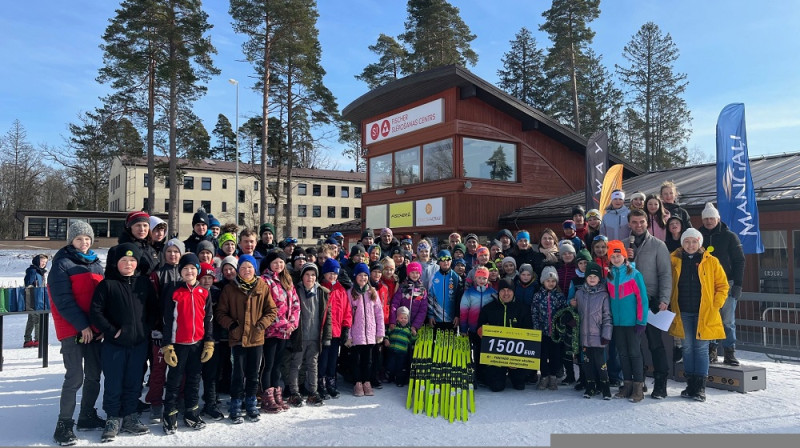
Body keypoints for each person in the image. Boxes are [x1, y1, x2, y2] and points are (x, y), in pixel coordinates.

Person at [89, 243, 158, 441]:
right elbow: (96, 312)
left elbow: (153, 309)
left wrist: (145, 328)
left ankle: (130, 416)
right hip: (114, 345)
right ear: (116, 263)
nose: (128, 264)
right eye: (124, 260)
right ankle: (112, 418)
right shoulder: (107, 284)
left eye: (132, 260)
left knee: (134, 381)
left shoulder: (144, 283)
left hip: (138, 344)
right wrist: (112, 331)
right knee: (114, 381)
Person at [50, 221, 106, 446]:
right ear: (71, 241)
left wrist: (99, 326)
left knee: (94, 374)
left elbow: (101, 299)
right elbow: (63, 300)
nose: (84, 242)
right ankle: (63, 424)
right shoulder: (61, 264)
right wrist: (82, 326)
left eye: (87, 238)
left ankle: (87, 415)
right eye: (79, 238)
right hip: (72, 327)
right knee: (75, 376)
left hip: (93, 329)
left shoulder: (95, 263)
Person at [668, 228, 729, 402]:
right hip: (683, 311)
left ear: (699, 243)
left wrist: (715, 305)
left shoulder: (711, 261)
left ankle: (700, 387)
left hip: (704, 313)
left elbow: (723, 286)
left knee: (701, 349)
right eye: (687, 241)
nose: (690, 245)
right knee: (687, 348)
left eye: (694, 241)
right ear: (682, 243)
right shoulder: (673, 260)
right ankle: (690, 385)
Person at [216, 254, 277, 422]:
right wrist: (232, 325)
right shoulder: (230, 288)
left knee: (252, 374)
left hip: (256, 337)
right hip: (237, 338)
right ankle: (236, 403)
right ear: (238, 270)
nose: (246, 271)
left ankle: (250, 402)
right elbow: (220, 313)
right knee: (237, 373)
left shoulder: (262, 286)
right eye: (243, 268)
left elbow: (272, 310)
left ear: (254, 269)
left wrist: (261, 325)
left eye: (249, 267)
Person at [160, 253, 214, 434]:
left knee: (193, 379)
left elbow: (209, 320)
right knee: (174, 380)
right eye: (185, 268)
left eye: (192, 268)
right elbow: (167, 320)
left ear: (197, 271)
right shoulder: (173, 290)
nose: (189, 271)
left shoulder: (204, 292)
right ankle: (170, 413)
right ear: (180, 271)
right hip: (178, 344)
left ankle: (191, 412)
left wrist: (209, 342)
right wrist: (167, 345)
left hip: (197, 344)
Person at [627, 208, 673, 399]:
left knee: (655, 344)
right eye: (634, 222)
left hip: (651, 301)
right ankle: (638, 381)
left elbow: (665, 273)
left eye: (642, 222)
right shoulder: (623, 245)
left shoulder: (658, 245)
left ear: (647, 223)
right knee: (633, 346)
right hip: (628, 302)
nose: (638, 225)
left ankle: (660, 383)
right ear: (629, 224)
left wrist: (664, 298)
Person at [698, 202, 746, 366]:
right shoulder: (698, 236)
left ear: (718, 218)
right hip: (706, 284)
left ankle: (729, 352)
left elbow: (739, 261)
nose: (709, 221)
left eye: (712, 218)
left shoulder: (730, 236)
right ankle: (711, 350)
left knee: (727, 321)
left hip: (727, 283)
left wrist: (738, 284)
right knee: (709, 318)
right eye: (706, 219)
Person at [606, 240, 649, 403]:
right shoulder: (609, 276)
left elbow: (642, 299)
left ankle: (638, 387)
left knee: (634, 353)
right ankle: (627, 385)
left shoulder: (634, 274)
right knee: (622, 354)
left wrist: (641, 320)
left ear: (625, 256)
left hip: (632, 322)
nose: (616, 259)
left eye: (619, 256)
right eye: (613, 256)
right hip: (617, 323)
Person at [259, 251, 300, 413]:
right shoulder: (264, 281)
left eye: (281, 262)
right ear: (269, 264)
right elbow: (264, 307)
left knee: (278, 365)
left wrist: (292, 323)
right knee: (268, 364)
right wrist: (282, 324)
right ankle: (266, 396)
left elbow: (295, 304)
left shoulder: (287, 280)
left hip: (286, 331)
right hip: (271, 331)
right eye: (275, 262)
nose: (279, 265)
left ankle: (277, 393)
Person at [287, 263, 332, 407]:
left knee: (313, 364)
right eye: (307, 274)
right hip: (299, 335)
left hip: (315, 335)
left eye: (313, 275)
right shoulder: (295, 290)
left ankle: (313, 392)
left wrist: (327, 336)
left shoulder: (322, 292)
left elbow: (327, 316)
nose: (310, 278)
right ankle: (294, 392)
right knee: (296, 364)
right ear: (302, 276)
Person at [477, 278, 533, 392]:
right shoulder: (489, 308)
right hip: (495, 356)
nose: (506, 293)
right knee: (496, 387)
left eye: (509, 290)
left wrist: (516, 360)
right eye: (503, 290)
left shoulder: (522, 309)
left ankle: (516, 374)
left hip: (516, 355)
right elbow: (479, 327)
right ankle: (496, 374)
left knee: (519, 385)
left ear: (514, 291)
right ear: (499, 291)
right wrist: (482, 331)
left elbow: (529, 334)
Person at [571, 262, 613, 399]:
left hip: (598, 337)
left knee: (601, 364)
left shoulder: (603, 295)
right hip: (584, 337)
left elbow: (607, 317)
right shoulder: (579, 293)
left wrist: (606, 335)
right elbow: (576, 314)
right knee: (587, 363)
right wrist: (572, 313)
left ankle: (605, 387)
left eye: (595, 276)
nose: (592, 279)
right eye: (590, 276)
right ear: (586, 277)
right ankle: (590, 387)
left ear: (600, 278)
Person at [345, 263, 385, 396]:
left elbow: (379, 313)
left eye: (365, 275)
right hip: (356, 333)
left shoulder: (372, 292)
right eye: (360, 275)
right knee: (356, 359)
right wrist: (348, 335)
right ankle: (358, 383)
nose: (363, 277)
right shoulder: (350, 293)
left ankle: (366, 381)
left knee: (368, 360)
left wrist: (380, 332)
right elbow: (347, 315)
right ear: (355, 276)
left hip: (370, 333)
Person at [318, 258, 352, 399]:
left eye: (335, 273)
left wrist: (346, 327)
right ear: (324, 273)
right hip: (324, 332)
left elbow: (347, 311)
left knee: (333, 359)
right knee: (323, 359)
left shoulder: (341, 289)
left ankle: (331, 382)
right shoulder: (320, 288)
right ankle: (321, 383)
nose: (332, 276)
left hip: (337, 331)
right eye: (330, 273)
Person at [531, 266, 568, 390]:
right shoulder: (538, 296)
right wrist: (536, 328)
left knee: (555, 356)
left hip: (556, 333)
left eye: (553, 281)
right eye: (548, 281)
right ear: (543, 281)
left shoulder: (559, 296)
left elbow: (564, 312)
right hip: (542, 331)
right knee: (542, 355)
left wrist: (561, 326)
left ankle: (553, 376)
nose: (550, 283)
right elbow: (534, 312)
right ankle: (544, 376)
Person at [198, 263, 226, 421]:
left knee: (212, 374)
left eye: (209, 278)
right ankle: (192, 403)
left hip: (213, 339)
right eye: (204, 278)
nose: (207, 281)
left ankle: (211, 402)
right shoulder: (194, 292)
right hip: (195, 339)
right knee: (194, 374)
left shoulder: (217, 293)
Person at [459, 266, 496, 385]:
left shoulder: (492, 293)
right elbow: (463, 312)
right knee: (473, 353)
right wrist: (463, 328)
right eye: (479, 278)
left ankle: (482, 376)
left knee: (484, 353)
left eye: (484, 278)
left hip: (487, 330)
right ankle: (472, 376)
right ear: (475, 278)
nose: (481, 280)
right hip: (473, 328)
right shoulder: (469, 293)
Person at [389, 262, 428, 336]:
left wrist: (415, 326)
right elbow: (395, 304)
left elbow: (423, 310)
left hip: (413, 325)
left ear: (420, 274)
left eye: (417, 273)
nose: (415, 275)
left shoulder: (422, 290)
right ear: (408, 273)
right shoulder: (403, 287)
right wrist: (393, 321)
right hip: (400, 323)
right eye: (412, 272)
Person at [427, 250, 462, 331]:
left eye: (448, 259)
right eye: (443, 260)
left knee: (450, 342)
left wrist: (457, 315)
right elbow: (430, 297)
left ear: (451, 260)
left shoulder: (456, 277)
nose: (446, 262)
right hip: (436, 318)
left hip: (452, 319)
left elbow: (459, 299)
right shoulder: (434, 277)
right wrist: (430, 315)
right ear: (439, 262)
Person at [119, 211, 159, 275]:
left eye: (145, 225)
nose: (142, 229)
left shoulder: (150, 248)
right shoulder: (124, 248)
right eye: (138, 225)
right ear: (130, 228)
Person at [384, 306, 414, 386]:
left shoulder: (408, 330)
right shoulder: (394, 327)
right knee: (391, 365)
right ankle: (390, 378)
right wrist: (386, 339)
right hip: (392, 350)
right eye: (401, 318)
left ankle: (400, 381)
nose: (403, 320)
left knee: (400, 367)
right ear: (397, 318)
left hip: (402, 352)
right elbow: (387, 334)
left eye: (405, 318)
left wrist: (414, 334)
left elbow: (412, 340)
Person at [23, 253, 48, 348]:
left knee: (31, 319)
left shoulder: (41, 272)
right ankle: (38, 339)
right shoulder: (33, 271)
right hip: (33, 298)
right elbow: (28, 284)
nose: (44, 263)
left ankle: (27, 340)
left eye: (45, 262)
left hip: (39, 297)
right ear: (37, 261)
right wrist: (32, 289)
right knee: (38, 318)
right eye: (42, 261)